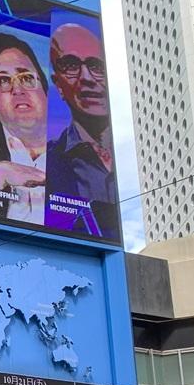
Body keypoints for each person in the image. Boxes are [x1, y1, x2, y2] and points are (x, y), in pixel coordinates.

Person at [46, 22, 119, 239]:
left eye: (96, 66)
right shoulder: (47, 164)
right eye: (71, 65)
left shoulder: (140, 157)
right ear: (58, 85)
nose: (86, 77)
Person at [0, 33, 50, 224]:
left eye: (26, 77)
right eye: (3, 80)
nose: (18, 89)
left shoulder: (77, 150)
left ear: (44, 89)